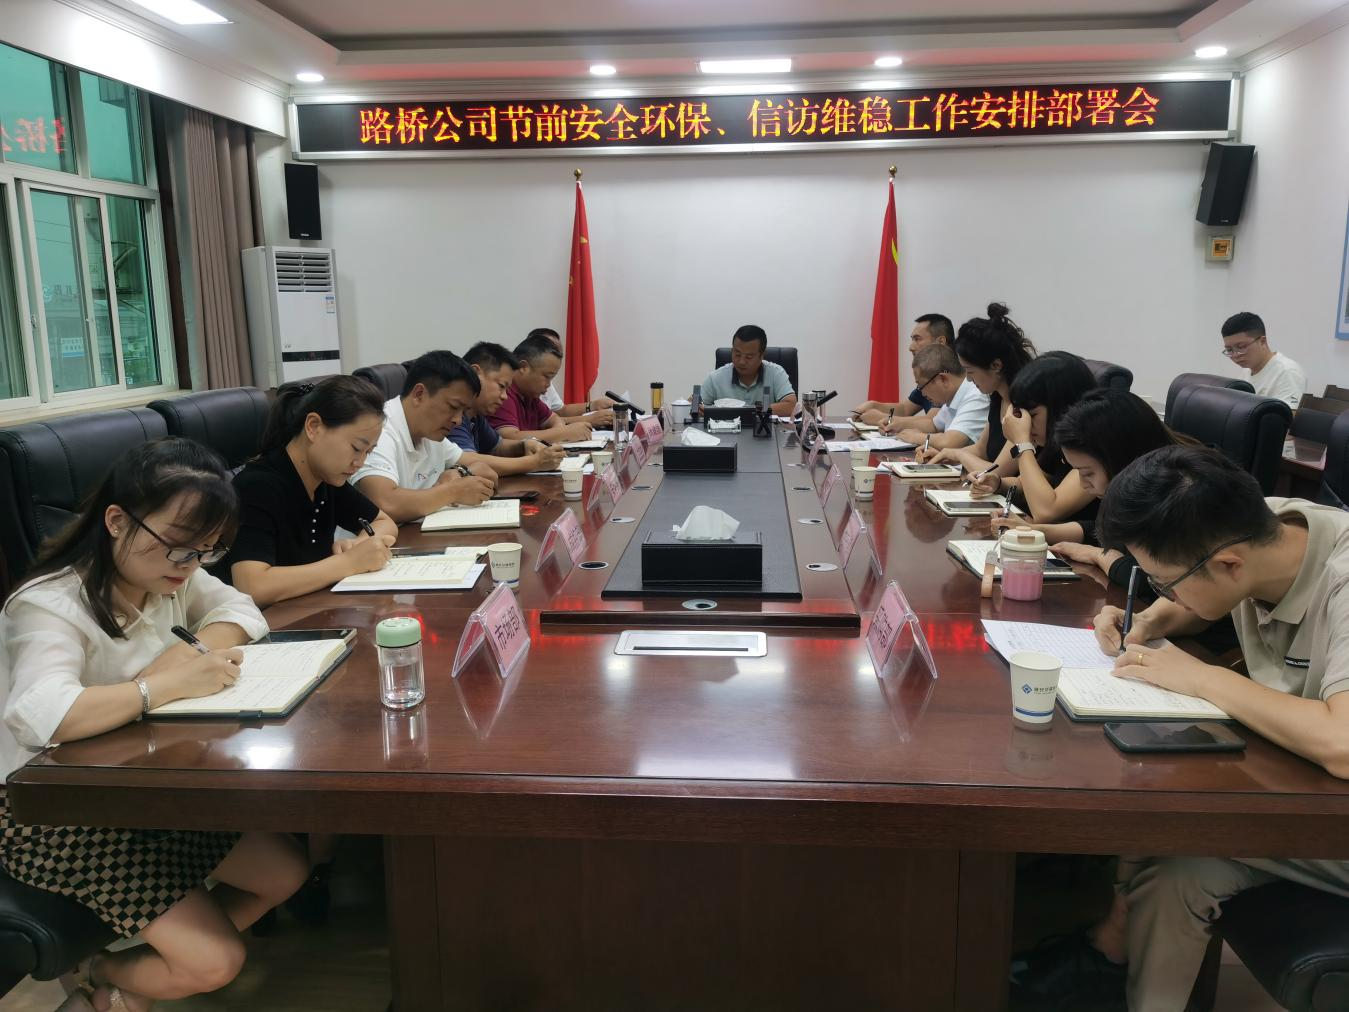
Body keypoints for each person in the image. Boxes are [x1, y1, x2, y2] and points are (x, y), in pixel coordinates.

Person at [1014, 446, 1349, 1012]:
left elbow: (1343, 745)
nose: (1162, 591)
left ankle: (1107, 949)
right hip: (1306, 787)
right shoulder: (1263, 526)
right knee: (1177, 873)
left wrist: (1202, 678)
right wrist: (1149, 620)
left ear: (1231, 565)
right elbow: (1204, 598)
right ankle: (1118, 967)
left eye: (1164, 582)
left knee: (1169, 823)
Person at [0, 438, 307, 1012]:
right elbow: (42, 714)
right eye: (179, 546)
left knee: (285, 871)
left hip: (138, 786)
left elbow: (241, 609)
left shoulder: (170, 576)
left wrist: (184, 657)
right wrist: (159, 687)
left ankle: (119, 981)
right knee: (217, 962)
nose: (189, 565)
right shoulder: (49, 605)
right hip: (53, 811)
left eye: (206, 551)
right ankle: (104, 969)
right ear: (117, 520)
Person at [225, 376, 399, 608]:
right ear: (314, 427)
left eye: (368, 452)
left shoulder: (326, 478)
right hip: (262, 622)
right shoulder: (258, 486)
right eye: (356, 448)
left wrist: (360, 545)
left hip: (310, 610)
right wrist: (349, 563)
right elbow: (252, 586)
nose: (360, 462)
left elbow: (383, 522)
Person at [994, 388, 1194, 587]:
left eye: (1088, 473)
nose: (1083, 484)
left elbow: (1154, 582)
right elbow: (1105, 532)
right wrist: (1036, 531)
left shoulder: (1179, 494)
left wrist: (1099, 555)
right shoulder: (1140, 486)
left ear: (1121, 457)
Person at [351, 350, 497, 524]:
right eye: (453, 407)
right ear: (419, 394)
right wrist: (453, 491)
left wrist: (459, 472)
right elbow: (385, 503)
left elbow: (479, 466)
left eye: (463, 411)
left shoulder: (430, 432)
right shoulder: (379, 429)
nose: (458, 420)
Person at [962, 351, 1099, 524]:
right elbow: (1033, 483)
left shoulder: (1096, 443)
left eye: (1032, 415)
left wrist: (1022, 443)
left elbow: (1047, 511)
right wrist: (998, 483)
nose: (1027, 424)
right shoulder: (1057, 442)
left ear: (1062, 408)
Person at [915, 302, 1036, 473]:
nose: (969, 379)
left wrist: (959, 455)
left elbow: (996, 472)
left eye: (970, 371)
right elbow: (981, 450)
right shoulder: (997, 398)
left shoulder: (1022, 409)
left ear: (996, 365)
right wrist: (945, 455)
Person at [452, 342, 569, 476]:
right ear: (475, 373)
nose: (505, 396)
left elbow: (497, 447)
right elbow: (467, 460)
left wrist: (524, 445)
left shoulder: (476, 416)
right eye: (501, 386)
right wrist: (534, 463)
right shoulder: (453, 415)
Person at [489, 334, 597, 444]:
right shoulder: (504, 394)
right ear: (523, 367)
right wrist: (563, 433)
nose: (548, 385)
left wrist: (559, 430)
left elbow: (554, 419)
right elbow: (509, 438)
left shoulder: (530, 396)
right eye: (547, 376)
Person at [881, 343, 988, 450]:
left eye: (921, 386)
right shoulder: (953, 396)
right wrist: (899, 425)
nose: (922, 393)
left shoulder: (976, 396)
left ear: (942, 379)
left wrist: (916, 437)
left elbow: (950, 442)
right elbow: (934, 425)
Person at [854, 313, 956, 425]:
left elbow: (933, 422)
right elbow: (905, 409)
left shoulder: (949, 374)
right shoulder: (930, 373)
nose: (910, 348)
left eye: (917, 339)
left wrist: (884, 418)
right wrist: (873, 405)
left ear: (940, 341)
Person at [699, 324, 797, 415]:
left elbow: (791, 406)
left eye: (749, 357)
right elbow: (697, 406)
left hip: (764, 428)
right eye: (737, 354)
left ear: (762, 355)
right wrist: (696, 408)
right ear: (732, 351)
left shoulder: (776, 373)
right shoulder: (715, 378)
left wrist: (751, 411)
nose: (741, 362)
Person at [528, 327, 616, 425]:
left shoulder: (545, 381)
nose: (557, 357)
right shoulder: (525, 386)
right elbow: (540, 424)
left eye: (559, 353)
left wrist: (593, 405)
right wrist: (588, 419)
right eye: (552, 351)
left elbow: (560, 410)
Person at [1222, 311, 1305, 409]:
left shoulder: (1287, 372)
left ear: (1262, 341)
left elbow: (1287, 415)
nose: (1235, 355)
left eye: (1241, 347)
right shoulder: (1247, 371)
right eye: (1229, 350)